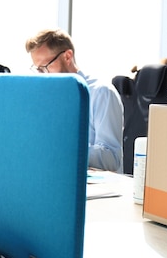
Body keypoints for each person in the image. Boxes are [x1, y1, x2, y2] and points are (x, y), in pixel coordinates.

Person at [26, 29, 124, 173]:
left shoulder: (101, 93)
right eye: (38, 70)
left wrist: (65, 150)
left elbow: (112, 158)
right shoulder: (48, 97)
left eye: (45, 67)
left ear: (67, 56)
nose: (43, 75)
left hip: (99, 188)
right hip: (58, 178)